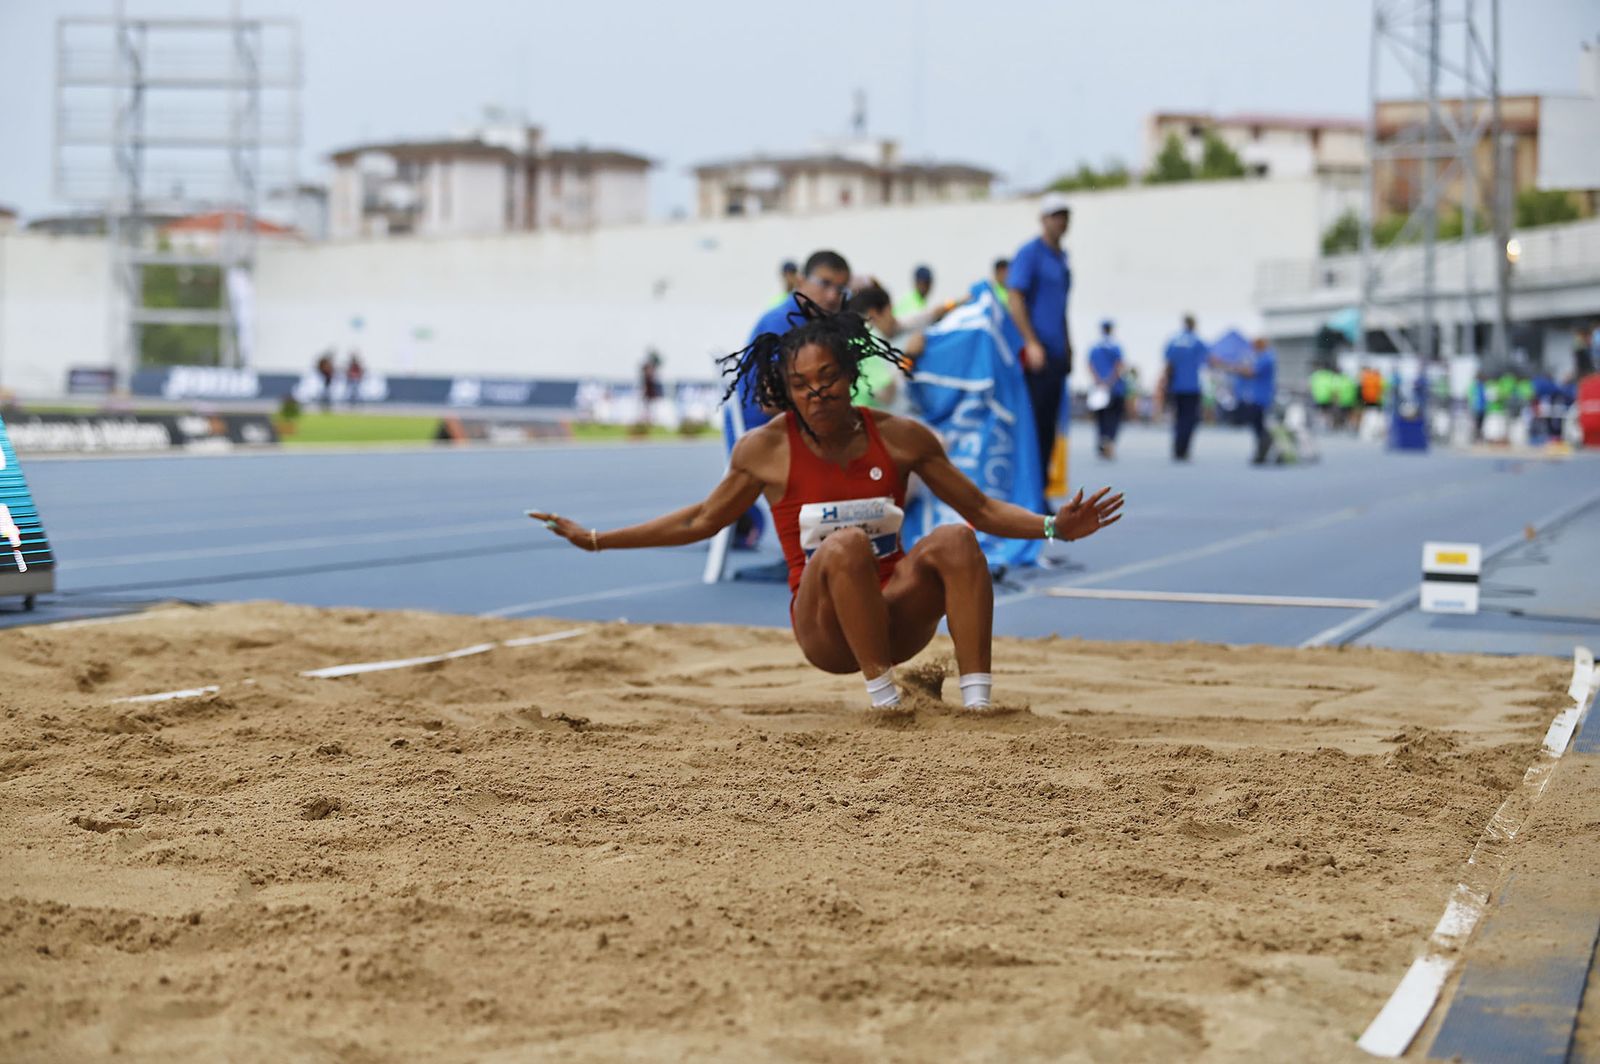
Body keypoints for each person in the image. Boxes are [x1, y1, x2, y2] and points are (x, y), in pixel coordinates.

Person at [530, 300, 1124, 711]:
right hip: (827, 632)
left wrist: (1053, 527)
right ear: (785, 390)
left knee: (955, 540)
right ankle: (887, 701)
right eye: (801, 384)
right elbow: (699, 520)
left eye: (827, 377)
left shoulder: (901, 436)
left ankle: (978, 702)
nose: (816, 393)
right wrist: (597, 539)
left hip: (898, 617)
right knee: (843, 545)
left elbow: (983, 510)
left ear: (850, 375)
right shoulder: (764, 450)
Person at [725, 250, 854, 552]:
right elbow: (770, 402)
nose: (833, 295)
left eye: (841, 289)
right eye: (825, 284)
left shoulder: (812, 324)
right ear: (800, 281)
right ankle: (829, 549)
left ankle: (844, 545)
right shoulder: (782, 323)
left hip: (781, 426)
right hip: (763, 431)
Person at [1007, 193, 1074, 495]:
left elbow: (1060, 308)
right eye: (1055, 215)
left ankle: (1041, 490)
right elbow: (1015, 298)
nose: (1060, 221)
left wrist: (1068, 343)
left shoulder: (1061, 259)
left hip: (1057, 353)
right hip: (1037, 354)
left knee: (1048, 425)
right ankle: (1027, 491)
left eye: (1064, 216)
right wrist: (1031, 342)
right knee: (1032, 425)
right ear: (1043, 219)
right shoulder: (1030, 254)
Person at [1212, 337, 1277, 464]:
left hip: (1261, 398)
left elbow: (1251, 372)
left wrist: (1228, 367)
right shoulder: (1262, 357)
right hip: (1258, 397)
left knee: (1260, 426)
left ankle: (1263, 449)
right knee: (1257, 425)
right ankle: (1261, 451)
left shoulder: (1266, 358)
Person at [1162, 314, 1208, 461]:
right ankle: (1184, 449)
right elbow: (1206, 360)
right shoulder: (1197, 341)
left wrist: (1167, 383)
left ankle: (1176, 447)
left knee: (1179, 417)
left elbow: (1168, 363)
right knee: (1190, 419)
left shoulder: (1174, 340)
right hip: (1192, 386)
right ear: (1193, 324)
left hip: (1177, 386)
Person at [1086, 320, 1126, 459]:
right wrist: (1109, 381)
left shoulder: (1095, 347)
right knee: (1113, 417)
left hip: (1099, 388)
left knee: (1101, 418)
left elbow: (1090, 365)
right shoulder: (1116, 347)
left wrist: (1098, 381)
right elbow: (1119, 365)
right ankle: (1109, 442)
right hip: (1115, 388)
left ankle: (1102, 440)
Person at [638, 350, 664, 431]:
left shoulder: (652, 373)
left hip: (652, 394)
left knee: (653, 409)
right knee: (646, 409)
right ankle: (646, 421)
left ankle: (651, 421)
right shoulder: (646, 375)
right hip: (647, 394)